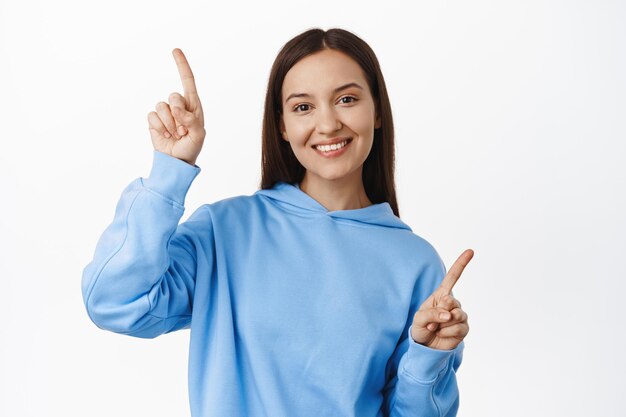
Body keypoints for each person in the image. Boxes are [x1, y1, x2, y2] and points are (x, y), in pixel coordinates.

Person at [81, 27, 474, 417]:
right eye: (303, 107)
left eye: (347, 99)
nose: (328, 124)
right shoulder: (225, 232)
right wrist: (171, 170)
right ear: (282, 125)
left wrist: (429, 360)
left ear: (376, 112)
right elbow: (115, 303)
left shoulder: (415, 264)